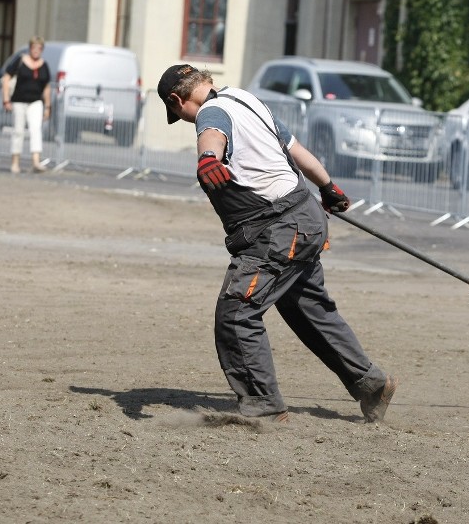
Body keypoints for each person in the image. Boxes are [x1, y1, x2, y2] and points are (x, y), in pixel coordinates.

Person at [158, 64, 398, 423]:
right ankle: (370, 384)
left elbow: (211, 135)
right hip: (305, 215)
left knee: (237, 311)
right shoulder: (245, 98)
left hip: (278, 228)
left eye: (178, 113)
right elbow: (295, 149)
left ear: (177, 100)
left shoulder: (210, 112)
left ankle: (264, 406)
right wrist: (328, 187)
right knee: (308, 309)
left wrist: (208, 157)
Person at [1, 36, 52, 174]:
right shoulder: (20, 61)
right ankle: (15, 162)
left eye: (39, 48)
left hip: (36, 102)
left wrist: (48, 106)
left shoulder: (44, 65)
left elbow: (46, 87)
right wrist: (6, 99)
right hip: (19, 101)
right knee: (18, 131)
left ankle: (36, 162)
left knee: (36, 130)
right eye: (34, 48)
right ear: (30, 48)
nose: (36, 51)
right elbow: (6, 78)